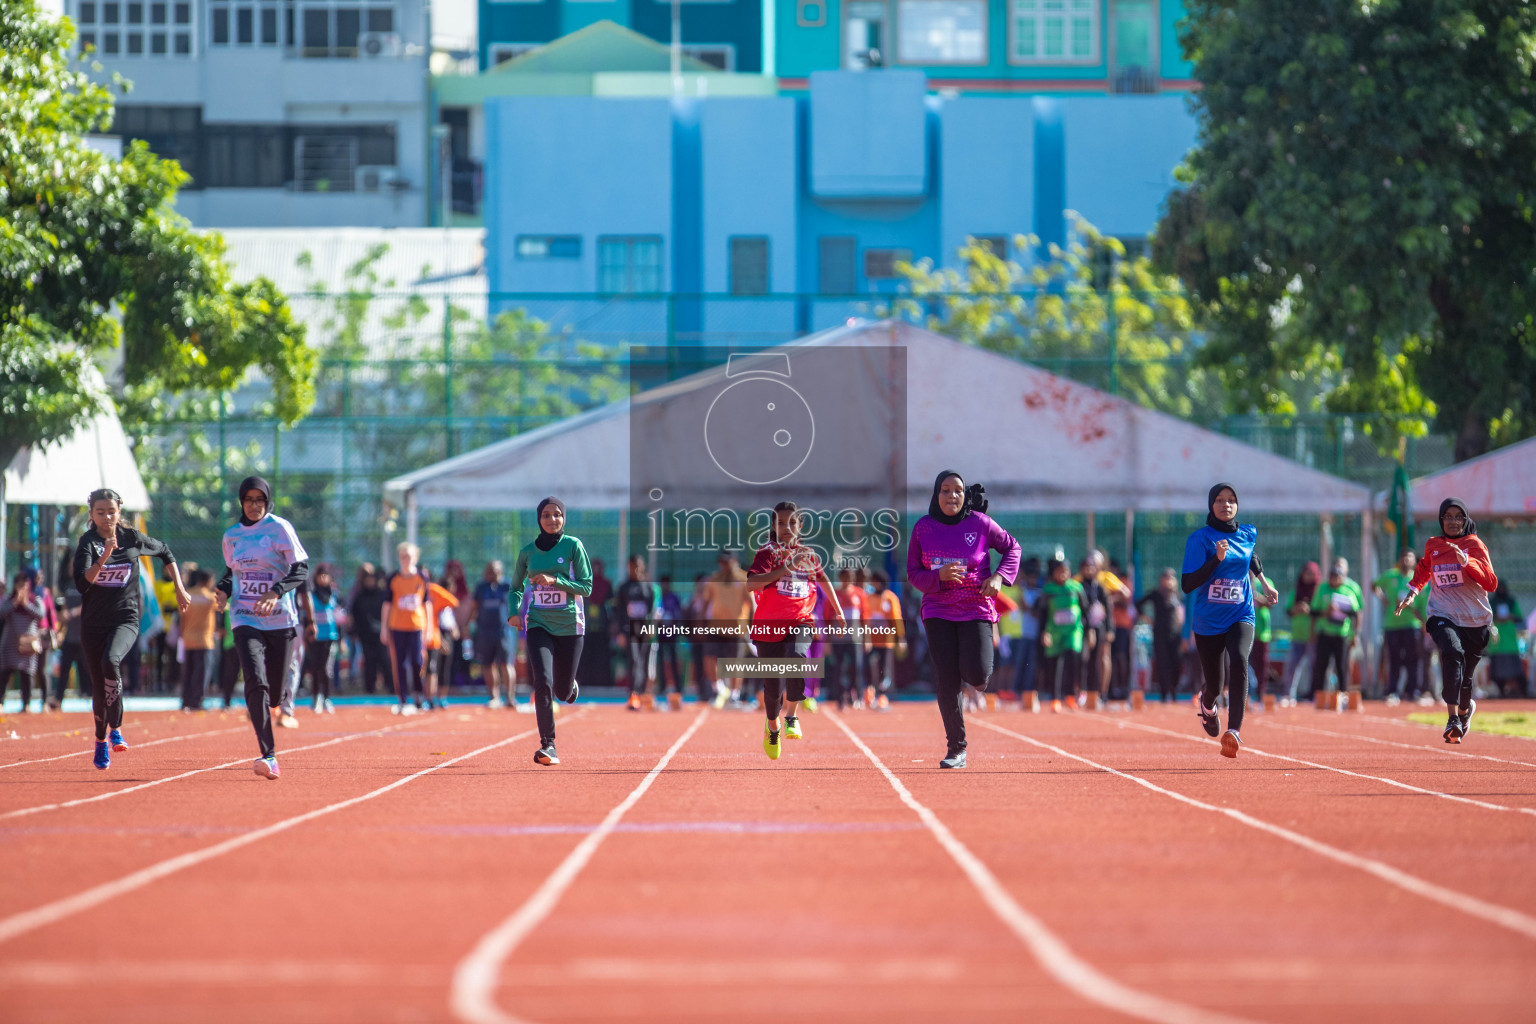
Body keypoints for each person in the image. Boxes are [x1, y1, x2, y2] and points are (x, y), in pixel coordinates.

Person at [907, 471, 1021, 769]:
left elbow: (1012, 548)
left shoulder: (980, 524)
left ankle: (977, 678)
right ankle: (956, 748)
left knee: (977, 674)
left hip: (976, 608)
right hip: (937, 610)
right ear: (936, 494)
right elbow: (913, 573)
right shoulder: (923, 528)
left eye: (957, 490)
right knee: (947, 679)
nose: (951, 496)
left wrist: (999, 577)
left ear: (964, 495)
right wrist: (937, 577)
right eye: (945, 490)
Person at [72, 488, 190, 769]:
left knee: (110, 660)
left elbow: (165, 551)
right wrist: (105, 556)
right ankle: (100, 742)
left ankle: (116, 729)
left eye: (111, 511)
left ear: (119, 512)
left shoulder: (132, 538)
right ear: (91, 515)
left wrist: (179, 587)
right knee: (99, 689)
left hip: (125, 619)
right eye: (100, 512)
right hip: (93, 625)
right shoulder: (88, 543)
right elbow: (82, 583)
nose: (106, 517)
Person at [214, 476, 310, 779]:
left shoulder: (280, 529)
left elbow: (301, 569)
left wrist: (275, 592)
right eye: (248, 500)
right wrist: (222, 590)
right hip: (245, 617)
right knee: (255, 682)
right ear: (241, 502)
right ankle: (268, 755)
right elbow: (233, 573)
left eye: (259, 500)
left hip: (280, 619)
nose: (254, 505)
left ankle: (276, 705)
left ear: (267, 502)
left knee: (276, 693)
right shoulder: (232, 536)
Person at [1182, 483, 1278, 758]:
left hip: (1241, 614)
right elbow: (1188, 584)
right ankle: (1207, 706)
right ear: (1211, 505)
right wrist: (1216, 559)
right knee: (1215, 684)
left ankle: (1233, 731)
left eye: (1231, 500)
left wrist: (1262, 585)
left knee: (1239, 658)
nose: (1226, 505)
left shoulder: (1247, 533)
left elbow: (1251, 558)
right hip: (1208, 620)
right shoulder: (1199, 539)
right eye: (1220, 500)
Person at [745, 502, 844, 760]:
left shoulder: (808, 555)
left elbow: (823, 581)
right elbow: (750, 584)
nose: (786, 528)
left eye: (791, 523)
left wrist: (839, 610)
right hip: (768, 627)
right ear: (773, 527)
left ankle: (791, 715)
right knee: (772, 689)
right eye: (780, 523)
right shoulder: (767, 553)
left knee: (798, 656)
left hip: (800, 620)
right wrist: (786, 569)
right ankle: (772, 725)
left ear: (800, 526)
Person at [1397, 498, 1499, 743]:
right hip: (1441, 614)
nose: (1453, 521)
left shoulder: (1474, 544)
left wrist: (1466, 561)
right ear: (1441, 519)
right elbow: (1424, 568)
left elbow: (1491, 583)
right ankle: (1452, 717)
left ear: (1465, 520)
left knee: (1466, 680)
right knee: (1451, 652)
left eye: (1458, 517)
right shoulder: (1433, 545)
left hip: (1475, 621)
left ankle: (1464, 711)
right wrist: (1412, 592)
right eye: (1448, 516)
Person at [507, 497, 592, 766]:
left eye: (557, 515)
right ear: (538, 519)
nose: (552, 519)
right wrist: (514, 611)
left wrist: (556, 580)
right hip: (538, 624)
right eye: (546, 515)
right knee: (542, 681)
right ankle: (549, 746)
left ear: (563, 518)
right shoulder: (527, 553)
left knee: (562, 692)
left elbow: (586, 586)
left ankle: (569, 688)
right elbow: (516, 587)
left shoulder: (573, 546)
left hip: (570, 625)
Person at [381, 544, 430, 715]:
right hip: (397, 626)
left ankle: (418, 696)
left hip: (416, 626)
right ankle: (402, 698)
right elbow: (387, 604)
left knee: (417, 661)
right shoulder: (393, 578)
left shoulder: (422, 578)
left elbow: (426, 604)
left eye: (408, 556)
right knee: (400, 663)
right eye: (402, 556)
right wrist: (384, 628)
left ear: (415, 558)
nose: (405, 560)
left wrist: (428, 628)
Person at [700, 550, 753, 708]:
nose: (724, 565)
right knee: (709, 659)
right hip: (716, 626)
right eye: (721, 562)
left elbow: (752, 603)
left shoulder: (744, 579)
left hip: (737, 628)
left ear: (734, 561)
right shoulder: (714, 579)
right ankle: (719, 689)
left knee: (735, 662)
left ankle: (734, 695)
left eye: (727, 561)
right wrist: (700, 623)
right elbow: (705, 602)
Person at [1374, 550, 1427, 705]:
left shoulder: (1418, 579)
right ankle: (1392, 692)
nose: (1406, 560)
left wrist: (1421, 619)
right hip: (1392, 625)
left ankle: (1412, 691)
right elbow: (1374, 585)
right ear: (1399, 559)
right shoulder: (1390, 576)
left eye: (1409, 557)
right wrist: (1383, 599)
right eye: (1403, 557)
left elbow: (1422, 603)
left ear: (1413, 561)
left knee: (1413, 659)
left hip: (1412, 625)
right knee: (1394, 659)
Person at [1309, 558, 1361, 704]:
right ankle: (1317, 694)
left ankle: (1343, 694)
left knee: (1342, 666)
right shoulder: (1323, 588)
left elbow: (1355, 613)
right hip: (1325, 633)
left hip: (1342, 634)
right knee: (1321, 665)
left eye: (1338, 576)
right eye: (1333, 576)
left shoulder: (1348, 590)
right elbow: (1314, 612)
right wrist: (1325, 614)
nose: (1335, 579)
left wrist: (1354, 634)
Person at [1037, 558, 1086, 712]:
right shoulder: (1048, 590)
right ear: (1054, 573)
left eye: (1065, 571)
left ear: (1069, 572)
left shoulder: (1076, 588)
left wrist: (1090, 630)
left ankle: (1071, 696)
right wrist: (1044, 632)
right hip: (1054, 632)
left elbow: (1086, 610)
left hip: (1073, 631)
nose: (1063, 574)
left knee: (1072, 659)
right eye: (1059, 571)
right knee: (1055, 666)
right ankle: (1055, 699)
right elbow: (1043, 613)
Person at [615, 554, 659, 710]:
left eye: (639, 566)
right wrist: (620, 632)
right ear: (628, 567)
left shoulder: (648, 588)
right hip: (629, 629)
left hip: (644, 629)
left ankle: (642, 693)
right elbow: (619, 612)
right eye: (633, 566)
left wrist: (651, 627)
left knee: (644, 663)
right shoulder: (624, 588)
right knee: (633, 661)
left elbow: (652, 611)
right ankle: (633, 694)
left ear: (643, 567)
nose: (636, 570)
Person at [0, 571, 48, 713]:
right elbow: (2, 613)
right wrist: (15, 602)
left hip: (28, 641)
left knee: (27, 673)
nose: (22, 588)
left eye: (24, 585)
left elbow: (41, 615)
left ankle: (26, 704)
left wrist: (26, 604)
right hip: (10, 641)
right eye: (19, 585)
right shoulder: (9, 600)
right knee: (5, 672)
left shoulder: (35, 600)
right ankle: (1, 702)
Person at [468, 560, 514, 707]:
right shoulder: (481, 587)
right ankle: (494, 696)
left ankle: (510, 697)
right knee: (488, 664)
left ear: (499, 571)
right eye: (487, 570)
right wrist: (467, 626)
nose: (489, 574)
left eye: (492, 571)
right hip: (484, 631)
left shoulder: (507, 586)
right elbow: (474, 608)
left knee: (506, 664)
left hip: (503, 631)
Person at [1136, 568, 1184, 704]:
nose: (1168, 581)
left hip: (1175, 634)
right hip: (1160, 634)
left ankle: (1174, 691)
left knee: (1176, 663)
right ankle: (1164, 693)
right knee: (1163, 664)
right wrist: (1146, 617)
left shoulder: (1177, 595)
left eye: (1171, 578)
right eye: (1166, 577)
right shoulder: (1156, 594)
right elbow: (1138, 603)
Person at [301, 565, 341, 713]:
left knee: (326, 669)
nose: (323, 578)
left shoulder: (334, 595)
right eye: (320, 575)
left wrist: (341, 639)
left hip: (330, 637)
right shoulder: (310, 595)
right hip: (315, 637)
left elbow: (339, 617)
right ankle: (315, 697)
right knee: (315, 667)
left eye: (326, 575)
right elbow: (306, 616)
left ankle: (326, 697)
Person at [1280, 563, 1321, 704]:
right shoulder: (1296, 590)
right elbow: (1288, 611)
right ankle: (1288, 695)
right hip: (1297, 635)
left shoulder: (1319, 591)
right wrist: (1297, 609)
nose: (1308, 576)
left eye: (1311, 573)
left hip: (1312, 635)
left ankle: (1313, 694)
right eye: (1306, 573)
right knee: (1292, 666)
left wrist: (1309, 610)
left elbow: (1319, 611)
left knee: (1314, 667)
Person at [864, 570, 904, 709]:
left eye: (875, 581)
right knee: (868, 666)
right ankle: (869, 693)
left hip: (886, 640)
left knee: (884, 669)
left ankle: (882, 695)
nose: (873, 584)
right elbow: (865, 618)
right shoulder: (868, 598)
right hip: (871, 640)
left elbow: (896, 619)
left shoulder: (890, 598)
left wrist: (901, 638)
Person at [179, 570, 219, 711]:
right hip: (204, 640)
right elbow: (223, 608)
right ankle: (197, 702)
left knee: (188, 672)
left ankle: (185, 701)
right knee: (201, 674)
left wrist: (182, 635)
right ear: (208, 581)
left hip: (187, 639)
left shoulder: (187, 594)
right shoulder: (210, 597)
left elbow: (181, 617)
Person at [349, 565, 391, 696]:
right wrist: (354, 632)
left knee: (385, 660)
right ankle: (370, 688)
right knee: (369, 661)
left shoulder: (383, 595)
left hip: (382, 634)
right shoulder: (359, 596)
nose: (370, 582)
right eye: (368, 579)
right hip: (366, 634)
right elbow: (354, 615)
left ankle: (390, 687)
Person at [829, 568, 868, 709]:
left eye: (849, 577)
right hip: (838, 638)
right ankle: (840, 698)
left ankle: (856, 696)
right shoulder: (834, 594)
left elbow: (864, 617)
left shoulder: (859, 594)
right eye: (844, 577)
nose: (847, 580)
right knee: (839, 668)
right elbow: (827, 617)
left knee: (857, 667)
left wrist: (867, 638)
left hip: (855, 637)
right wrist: (827, 640)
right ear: (840, 578)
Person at [52, 566, 86, 706]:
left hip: (84, 636)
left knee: (86, 668)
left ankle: (88, 695)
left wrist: (72, 613)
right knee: (64, 667)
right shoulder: (67, 587)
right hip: (70, 637)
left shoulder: (86, 585)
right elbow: (64, 608)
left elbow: (88, 606)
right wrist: (61, 627)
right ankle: (58, 699)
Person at [1487, 581, 1526, 698]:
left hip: (1510, 643)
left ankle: (1521, 692)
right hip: (1496, 643)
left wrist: (1509, 617)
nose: (1501, 590)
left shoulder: (1511, 602)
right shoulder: (1491, 602)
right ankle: (1501, 692)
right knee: (1497, 672)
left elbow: (1519, 618)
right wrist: (1497, 618)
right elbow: (1486, 617)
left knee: (1516, 671)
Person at [1248, 568, 1279, 706]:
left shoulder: (1266, 583)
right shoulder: (1240, 581)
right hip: (1245, 630)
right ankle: (1244, 696)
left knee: (1261, 666)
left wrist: (1258, 598)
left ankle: (1261, 695)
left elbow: (1271, 603)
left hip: (1261, 632)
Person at [655, 574, 685, 705]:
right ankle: (662, 686)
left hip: (672, 633)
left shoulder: (674, 598)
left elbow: (679, 613)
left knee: (674, 660)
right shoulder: (658, 597)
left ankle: (678, 686)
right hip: (660, 634)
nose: (665, 586)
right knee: (660, 660)